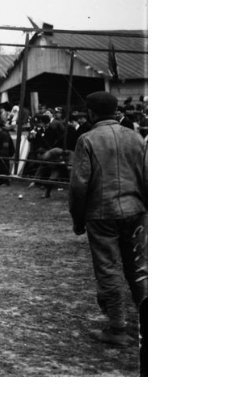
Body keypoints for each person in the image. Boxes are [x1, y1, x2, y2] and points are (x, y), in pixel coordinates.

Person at [69, 92, 148, 348]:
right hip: (135, 211)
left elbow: (79, 186)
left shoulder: (87, 139)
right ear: (115, 111)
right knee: (138, 268)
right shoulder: (136, 138)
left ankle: (117, 328)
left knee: (108, 268)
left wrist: (78, 219)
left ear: (90, 113)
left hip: (102, 214)